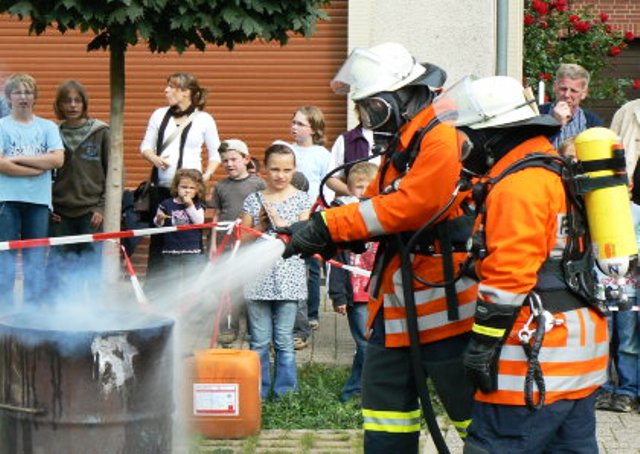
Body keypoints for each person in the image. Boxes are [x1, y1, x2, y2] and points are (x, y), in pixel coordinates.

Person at [281, 42, 476, 453]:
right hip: (397, 303)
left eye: (373, 107)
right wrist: (331, 234)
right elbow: (375, 204)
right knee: (385, 409)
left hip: (443, 303)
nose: (368, 118)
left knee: (470, 414)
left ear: (402, 96)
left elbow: (412, 206)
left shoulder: (440, 136)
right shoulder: (406, 142)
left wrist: (329, 225)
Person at [433, 75, 609, 453]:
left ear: (491, 136)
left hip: (531, 363)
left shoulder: (519, 186)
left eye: (467, 138)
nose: (464, 149)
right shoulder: (556, 170)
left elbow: (508, 278)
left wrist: (482, 347)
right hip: (578, 357)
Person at [241, 142, 312, 400]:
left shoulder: (303, 200)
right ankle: (257, 392)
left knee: (284, 339)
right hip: (257, 280)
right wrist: (260, 226)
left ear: (294, 169)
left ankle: (285, 394)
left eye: (286, 170)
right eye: (275, 169)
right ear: (265, 170)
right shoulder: (253, 200)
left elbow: (305, 239)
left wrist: (283, 226)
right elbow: (243, 240)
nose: (280, 175)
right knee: (259, 341)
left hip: (289, 280)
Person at [140, 72, 221, 284]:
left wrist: (206, 175)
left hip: (190, 191)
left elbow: (215, 154)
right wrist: (154, 158)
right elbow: (145, 146)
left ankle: (191, 289)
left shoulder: (204, 119)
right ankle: (156, 290)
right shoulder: (159, 115)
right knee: (159, 238)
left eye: (171, 87)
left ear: (186, 92)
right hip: (162, 188)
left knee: (190, 238)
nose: (165, 91)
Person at [0, 73, 64, 308]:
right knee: (4, 259)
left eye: (28, 92)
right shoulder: (2, 126)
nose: (23, 97)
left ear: (35, 97)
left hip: (39, 202)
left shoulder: (48, 127)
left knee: (35, 259)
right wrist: (36, 169)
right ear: (9, 98)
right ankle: (4, 312)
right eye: (17, 92)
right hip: (6, 200)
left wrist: (17, 159)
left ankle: (33, 312)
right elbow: (0, 164)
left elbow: (57, 160)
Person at [595, 98, 640, 414]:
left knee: (628, 340)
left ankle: (627, 390)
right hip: (603, 283)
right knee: (604, 337)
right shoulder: (596, 212)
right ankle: (602, 389)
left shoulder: (636, 213)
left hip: (630, 284)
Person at [48, 80, 110, 293]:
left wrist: (102, 207)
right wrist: (49, 206)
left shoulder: (101, 132)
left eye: (77, 100)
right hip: (60, 214)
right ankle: (60, 308)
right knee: (60, 268)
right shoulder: (52, 133)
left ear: (84, 104)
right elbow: (43, 174)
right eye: (67, 101)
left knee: (92, 267)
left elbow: (115, 173)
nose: (72, 105)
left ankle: (92, 308)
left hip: (91, 213)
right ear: (59, 105)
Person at [328, 161, 379, 403]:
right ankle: (354, 391)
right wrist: (338, 295)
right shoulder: (347, 217)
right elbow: (337, 260)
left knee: (374, 345)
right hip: (357, 296)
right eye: (359, 187)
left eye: (370, 186)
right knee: (365, 345)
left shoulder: (383, 217)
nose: (364, 191)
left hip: (380, 292)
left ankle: (366, 389)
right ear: (349, 189)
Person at [210, 138, 266, 345]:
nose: (229, 164)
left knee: (252, 287)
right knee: (228, 288)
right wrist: (213, 245)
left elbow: (265, 212)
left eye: (234, 159)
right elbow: (216, 215)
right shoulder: (220, 186)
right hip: (226, 246)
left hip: (250, 244)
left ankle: (255, 328)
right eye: (225, 161)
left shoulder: (258, 184)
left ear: (246, 159)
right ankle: (229, 326)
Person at [290, 105, 332, 339]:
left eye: (300, 124)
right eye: (293, 122)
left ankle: (312, 313)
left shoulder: (322, 155)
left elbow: (329, 185)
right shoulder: (286, 150)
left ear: (314, 129)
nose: (294, 127)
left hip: (312, 217)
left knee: (312, 267)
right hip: (288, 215)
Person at [153, 168, 207, 283]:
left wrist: (190, 205)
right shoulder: (166, 204)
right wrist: (159, 219)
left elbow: (199, 223)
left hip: (192, 251)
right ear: (176, 187)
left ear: (197, 190)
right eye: (184, 187)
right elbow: (158, 225)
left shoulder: (198, 205)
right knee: (172, 282)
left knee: (192, 282)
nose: (187, 191)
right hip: (171, 250)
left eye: (192, 188)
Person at [540, 63, 603, 149]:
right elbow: (531, 150)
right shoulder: (537, 114)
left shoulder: (592, 122)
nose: (567, 95)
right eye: (563, 89)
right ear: (554, 87)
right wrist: (555, 123)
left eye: (573, 91)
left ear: (584, 93)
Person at [326, 108, 377, 197]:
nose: (370, 110)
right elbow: (331, 178)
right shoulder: (346, 139)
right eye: (365, 106)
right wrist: (353, 193)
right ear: (358, 109)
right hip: (354, 203)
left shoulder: (396, 138)